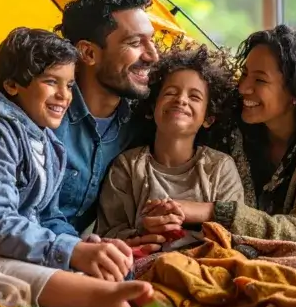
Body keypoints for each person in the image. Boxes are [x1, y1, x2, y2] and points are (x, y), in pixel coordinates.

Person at [0, 28, 151, 307]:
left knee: (102, 271)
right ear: (12, 84)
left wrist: (83, 246)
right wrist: (70, 251)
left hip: (11, 250)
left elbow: (49, 216)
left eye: (69, 85)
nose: (63, 96)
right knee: (76, 290)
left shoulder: (47, 140)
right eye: (50, 82)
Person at [141, 25, 296, 248]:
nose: (243, 88)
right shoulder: (229, 129)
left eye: (260, 80)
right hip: (247, 253)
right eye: (244, 74)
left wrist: (212, 211)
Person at [44, 0, 161, 266]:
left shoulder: (142, 125)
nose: (152, 55)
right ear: (88, 53)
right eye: (135, 43)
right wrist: (79, 248)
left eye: (151, 40)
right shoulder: (42, 115)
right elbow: (17, 214)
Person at [95, 45, 244, 248]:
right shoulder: (127, 166)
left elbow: (236, 232)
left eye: (194, 97)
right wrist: (144, 230)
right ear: (151, 107)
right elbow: (107, 234)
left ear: (208, 118)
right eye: (170, 93)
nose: (181, 100)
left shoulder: (220, 167)